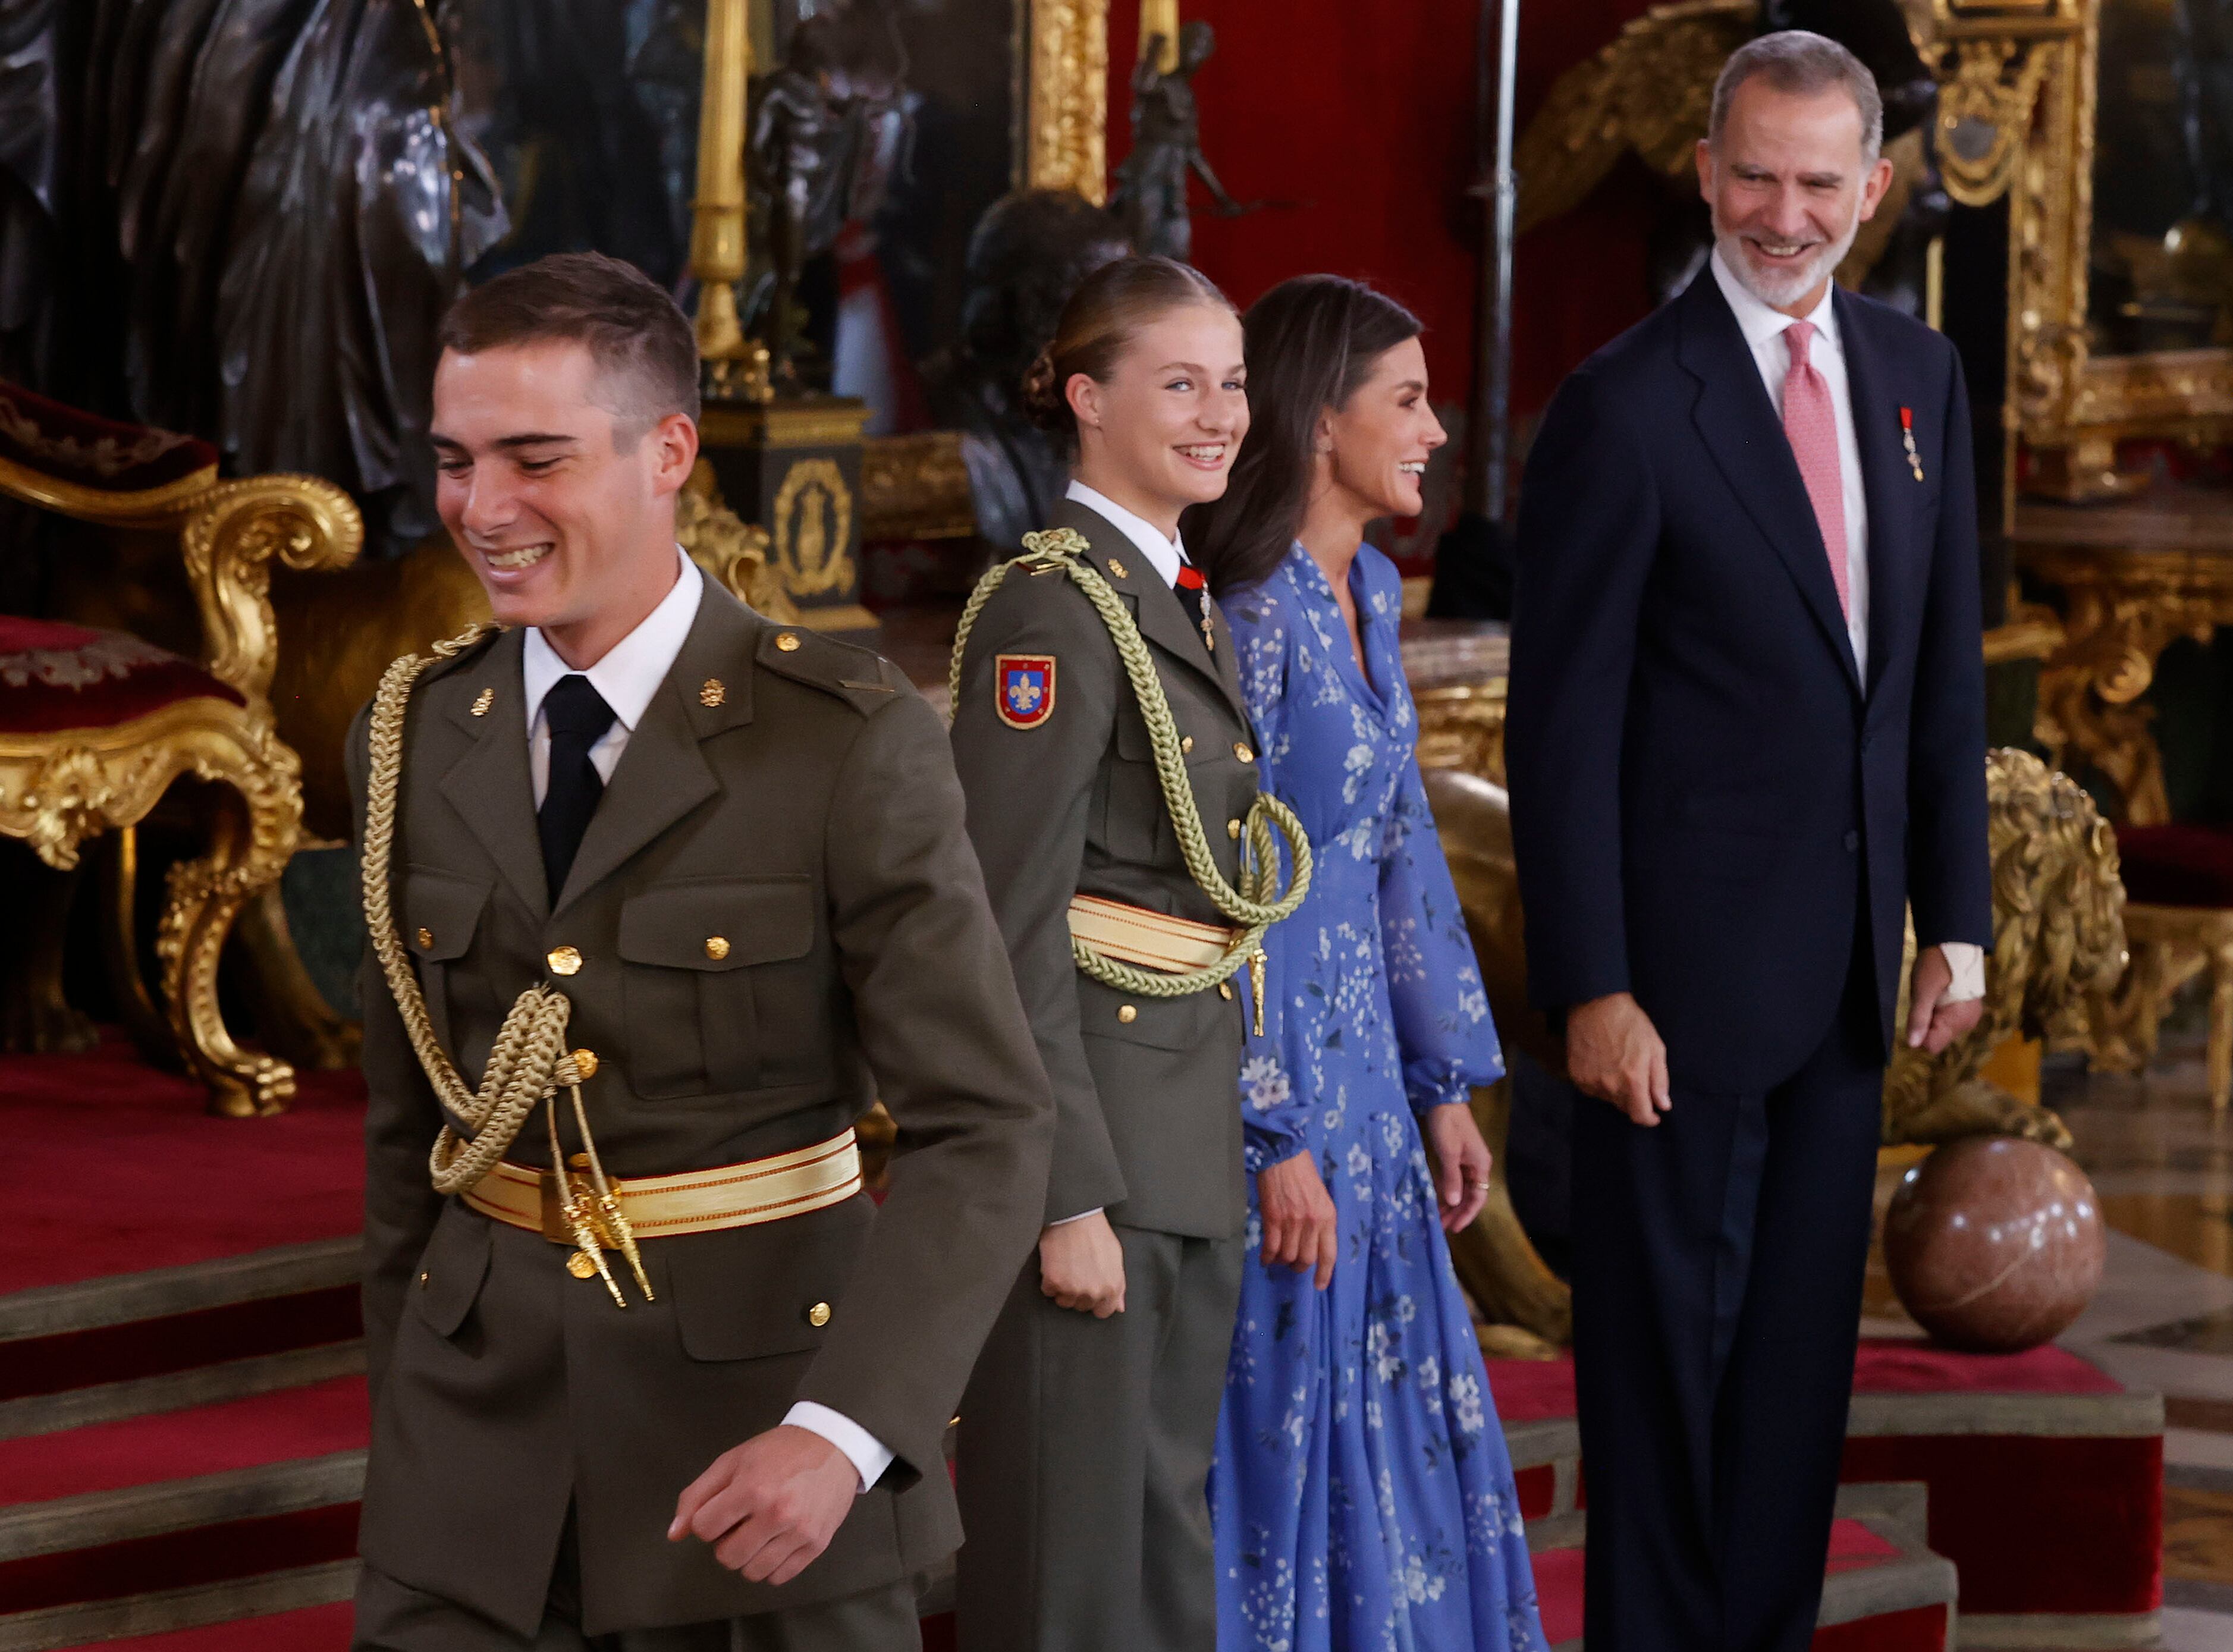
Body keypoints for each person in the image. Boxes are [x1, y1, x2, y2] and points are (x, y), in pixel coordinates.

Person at [346, 251, 1053, 1651]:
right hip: (473, 1465)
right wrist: (413, 1387)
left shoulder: (841, 738)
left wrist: (845, 1436)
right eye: (454, 460)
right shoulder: (425, 726)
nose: (482, 511)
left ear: (668, 451)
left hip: (761, 1464)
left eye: (534, 459)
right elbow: (408, 1134)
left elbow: (987, 1125)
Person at [1505, 33, 1992, 1652]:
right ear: (1707, 175)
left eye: (1816, 182)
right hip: (1672, 998)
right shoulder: (1624, 405)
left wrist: (1958, 917)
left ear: (1870, 189)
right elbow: (1556, 731)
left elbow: (1933, 675)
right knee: (1665, 1388)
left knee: (1793, 1381)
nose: (1783, 214)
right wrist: (1592, 983)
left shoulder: (1918, 381)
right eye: (1754, 176)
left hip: (1849, 978)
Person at [948, 255, 1311, 1652]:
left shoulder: (1167, 586)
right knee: (1069, 1570)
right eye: (1181, 383)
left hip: (1177, 1134)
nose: (1221, 413)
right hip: (1100, 1150)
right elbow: (1003, 919)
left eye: (1230, 383)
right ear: (1086, 397)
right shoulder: (1055, 606)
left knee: (1153, 1545)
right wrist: (1061, 1195)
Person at [1190, 275, 1550, 1652]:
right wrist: (1269, 1129)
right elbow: (1221, 894)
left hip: (1373, 1110)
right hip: (1273, 1104)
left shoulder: (1373, 592)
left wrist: (1445, 1085)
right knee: (1283, 1433)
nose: (1435, 431)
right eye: (1406, 401)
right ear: (1317, 415)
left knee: (1395, 1421)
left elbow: (1403, 852)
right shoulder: (1250, 612)